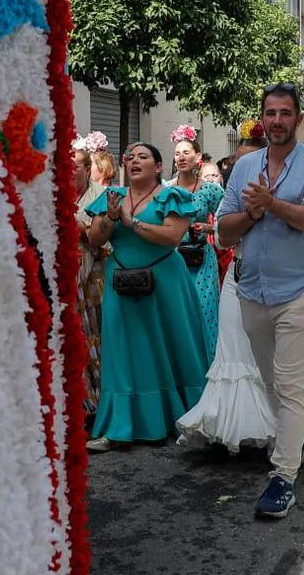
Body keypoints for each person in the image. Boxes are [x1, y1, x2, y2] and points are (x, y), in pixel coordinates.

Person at [218, 83, 304, 518]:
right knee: (272, 381)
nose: (276, 121)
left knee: (288, 382)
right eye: (269, 113)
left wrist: (273, 205)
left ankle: (283, 477)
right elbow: (224, 233)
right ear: (262, 118)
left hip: (301, 290)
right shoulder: (244, 166)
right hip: (252, 288)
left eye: (285, 113)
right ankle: (301, 433)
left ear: (298, 119)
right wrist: (252, 213)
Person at [178, 137, 304, 455]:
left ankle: (279, 432)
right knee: (230, 351)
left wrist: (273, 206)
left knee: (274, 364)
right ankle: (227, 425)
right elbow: (221, 239)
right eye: (239, 163)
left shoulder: (295, 190)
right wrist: (250, 214)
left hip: (283, 283)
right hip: (238, 279)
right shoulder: (233, 197)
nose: (247, 167)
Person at [84, 143, 211, 451]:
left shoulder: (172, 195)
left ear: (157, 167)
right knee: (123, 350)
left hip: (166, 282)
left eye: (143, 157)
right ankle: (119, 426)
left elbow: (171, 237)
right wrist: (112, 219)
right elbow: (93, 239)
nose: (135, 161)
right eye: (131, 158)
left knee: (172, 345)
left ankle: (188, 420)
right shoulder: (111, 196)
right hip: (121, 281)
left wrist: (133, 224)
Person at [169, 125, 224, 354]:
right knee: (176, 314)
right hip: (173, 259)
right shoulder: (165, 190)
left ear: (198, 158)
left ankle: (208, 367)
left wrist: (211, 228)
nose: (181, 157)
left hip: (202, 259)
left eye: (186, 153)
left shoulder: (211, 190)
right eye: (177, 153)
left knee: (205, 311)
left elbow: (229, 218)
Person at [73, 145, 110, 418]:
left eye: (75, 165)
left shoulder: (101, 196)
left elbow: (108, 242)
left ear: (88, 169)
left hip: (94, 279)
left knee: (95, 336)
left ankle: (99, 400)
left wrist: (81, 228)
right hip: (63, 281)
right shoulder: (50, 195)